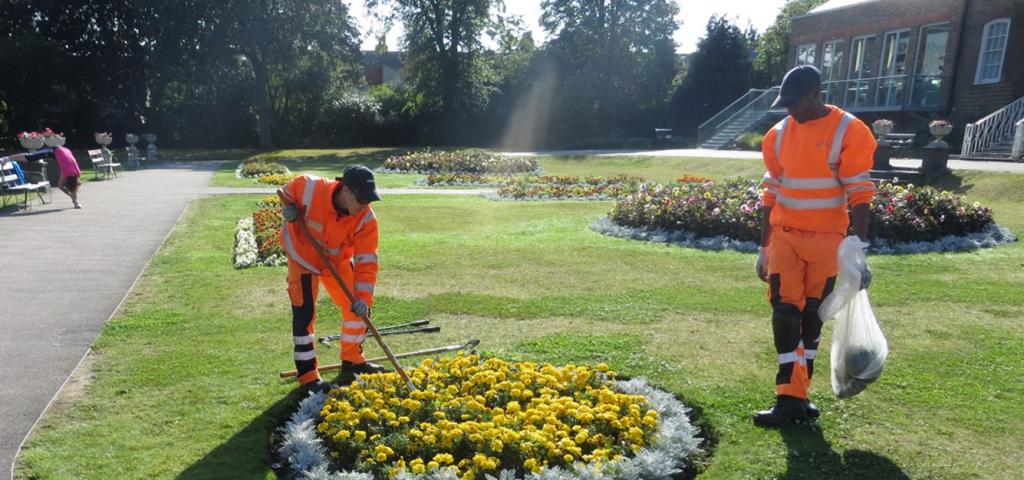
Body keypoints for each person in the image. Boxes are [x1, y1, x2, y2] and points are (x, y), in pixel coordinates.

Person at [753, 65, 876, 427]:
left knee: (812, 316)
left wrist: (858, 245)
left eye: (796, 103)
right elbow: (770, 193)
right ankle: (789, 397)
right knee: (785, 312)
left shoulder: (849, 131)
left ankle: (798, 396)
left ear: (816, 95)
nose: (791, 111)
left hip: (827, 240)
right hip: (786, 236)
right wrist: (764, 247)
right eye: (786, 104)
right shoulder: (777, 135)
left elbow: (860, 191)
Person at [278, 165, 386, 394]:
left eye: (369, 202)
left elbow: (367, 262)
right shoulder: (309, 187)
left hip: (335, 262)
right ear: (345, 190)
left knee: (357, 307)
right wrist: (287, 210)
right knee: (304, 312)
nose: (364, 207)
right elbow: (286, 193)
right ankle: (308, 377)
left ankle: (353, 360)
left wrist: (363, 298)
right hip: (302, 258)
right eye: (361, 200)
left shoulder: (365, 218)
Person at [7, 134, 83, 208]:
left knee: (64, 186)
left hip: (65, 151)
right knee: (30, 157)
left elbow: (71, 185)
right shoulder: (67, 172)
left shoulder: (78, 173)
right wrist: (72, 193)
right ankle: (7, 158)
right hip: (55, 150)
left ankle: (75, 201)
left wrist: (71, 193)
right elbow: (71, 186)